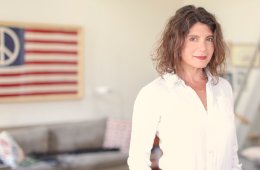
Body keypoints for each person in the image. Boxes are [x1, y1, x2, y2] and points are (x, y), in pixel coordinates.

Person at [127, 5, 242, 170]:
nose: (203, 48)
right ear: (176, 42)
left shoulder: (223, 88)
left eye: (209, 39)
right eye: (193, 38)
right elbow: (138, 161)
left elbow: (231, 152)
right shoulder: (153, 94)